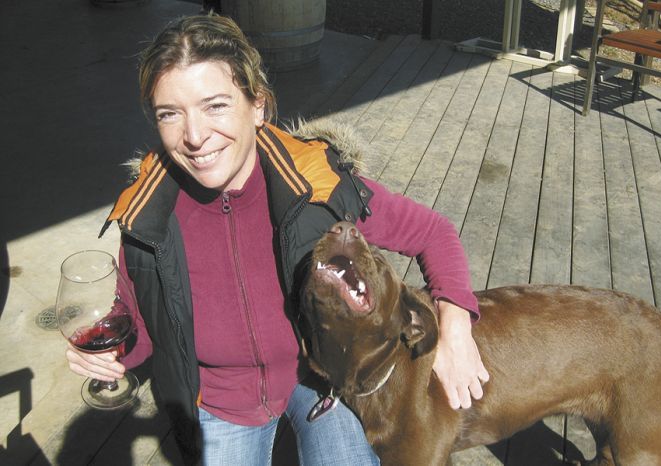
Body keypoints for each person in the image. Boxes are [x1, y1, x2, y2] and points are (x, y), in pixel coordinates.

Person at [65, 13, 489, 465]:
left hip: (322, 380)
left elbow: (433, 233)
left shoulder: (319, 184)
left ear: (259, 106)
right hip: (222, 403)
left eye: (215, 106)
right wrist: (113, 354)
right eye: (171, 114)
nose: (194, 136)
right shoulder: (147, 218)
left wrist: (457, 327)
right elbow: (142, 331)